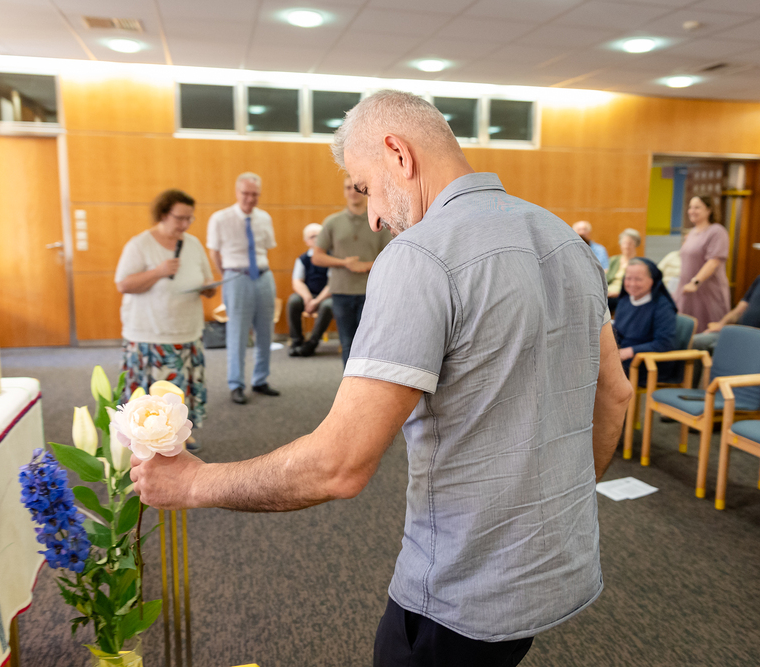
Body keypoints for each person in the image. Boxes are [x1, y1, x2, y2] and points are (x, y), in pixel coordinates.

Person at [130, 90, 634, 667]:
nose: (372, 216)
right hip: (558, 566)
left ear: (398, 153)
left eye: (365, 186)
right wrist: (551, 509)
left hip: (461, 593)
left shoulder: (421, 254)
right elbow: (615, 394)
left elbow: (339, 465)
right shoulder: (565, 238)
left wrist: (196, 483)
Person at [115, 189, 216, 451]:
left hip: (187, 332)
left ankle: (180, 435)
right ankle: (143, 440)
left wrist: (209, 288)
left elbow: (207, 278)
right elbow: (124, 284)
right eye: (179, 218)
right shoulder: (140, 244)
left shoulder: (193, 244)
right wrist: (158, 272)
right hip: (150, 335)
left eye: (189, 218)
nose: (185, 224)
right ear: (163, 214)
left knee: (180, 391)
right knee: (152, 396)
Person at [207, 172, 280, 405]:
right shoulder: (220, 218)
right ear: (237, 192)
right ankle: (236, 384)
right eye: (245, 193)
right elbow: (214, 252)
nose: (250, 199)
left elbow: (266, 248)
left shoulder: (264, 218)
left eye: (255, 194)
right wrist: (228, 275)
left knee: (265, 332)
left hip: (264, 277)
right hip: (236, 277)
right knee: (237, 333)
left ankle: (260, 379)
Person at [312, 175, 391, 366]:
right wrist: (344, 263)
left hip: (370, 292)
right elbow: (317, 257)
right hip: (341, 292)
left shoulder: (379, 223)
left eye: (356, 188)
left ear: (365, 191)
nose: (352, 192)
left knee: (370, 346)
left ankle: (367, 384)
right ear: (344, 192)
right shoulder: (332, 222)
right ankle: (350, 385)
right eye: (348, 188)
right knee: (347, 343)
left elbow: (391, 257)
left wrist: (366, 265)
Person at [674, 196, 731, 333]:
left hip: (706, 291)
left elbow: (714, 261)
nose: (692, 211)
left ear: (709, 210)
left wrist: (695, 282)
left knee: (707, 332)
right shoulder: (692, 233)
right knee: (687, 331)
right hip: (687, 291)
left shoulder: (717, 231)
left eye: (697, 207)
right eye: (690, 207)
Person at [613, 258, 677, 377]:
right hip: (623, 359)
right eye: (628, 278)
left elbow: (664, 343)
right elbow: (618, 334)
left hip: (649, 364)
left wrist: (630, 351)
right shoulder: (624, 301)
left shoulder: (662, 306)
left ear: (652, 281)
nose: (632, 284)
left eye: (638, 279)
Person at [287, 223, 333, 357]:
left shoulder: (331, 258)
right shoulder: (302, 259)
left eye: (320, 236)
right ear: (306, 241)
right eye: (313, 236)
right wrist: (307, 298)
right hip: (309, 295)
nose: (317, 239)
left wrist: (316, 301)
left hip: (327, 296)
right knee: (293, 301)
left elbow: (332, 284)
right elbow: (297, 282)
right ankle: (296, 341)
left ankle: (312, 343)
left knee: (328, 306)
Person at [606, 227, 641, 303]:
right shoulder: (613, 260)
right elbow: (606, 278)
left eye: (630, 243)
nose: (626, 246)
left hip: (624, 295)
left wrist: (618, 294)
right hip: (607, 293)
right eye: (624, 243)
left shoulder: (638, 263)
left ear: (636, 244)